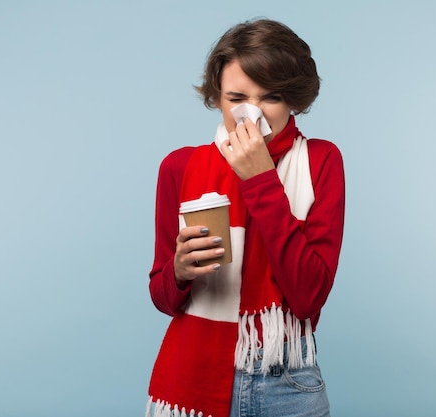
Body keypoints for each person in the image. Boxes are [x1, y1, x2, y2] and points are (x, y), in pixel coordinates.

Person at [146, 19, 345, 417]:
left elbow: (308, 298)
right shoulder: (179, 167)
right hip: (192, 376)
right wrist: (180, 271)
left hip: (287, 380)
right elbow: (163, 298)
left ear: (293, 99)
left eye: (269, 97)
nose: (250, 114)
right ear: (217, 97)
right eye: (236, 97)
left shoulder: (322, 161)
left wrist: (260, 179)